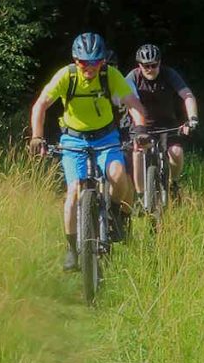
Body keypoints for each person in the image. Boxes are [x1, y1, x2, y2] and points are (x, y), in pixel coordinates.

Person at [28, 32, 151, 271]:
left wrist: (140, 129)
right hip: (73, 141)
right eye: (84, 62)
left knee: (117, 175)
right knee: (73, 193)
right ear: (76, 60)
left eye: (95, 62)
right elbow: (40, 105)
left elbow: (134, 105)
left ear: (102, 61)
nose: (89, 67)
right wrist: (36, 137)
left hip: (106, 137)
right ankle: (72, 250)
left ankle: (115, 215)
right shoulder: (67, 76)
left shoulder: (110, 76)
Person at [126, 43, 199, 195]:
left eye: (154, 65)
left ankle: (172, 184)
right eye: (146, 66)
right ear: (139, 65)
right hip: (142, 126)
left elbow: (187, 95)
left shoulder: (169, 74)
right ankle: (141, 195)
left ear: (159, 62)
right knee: (138, 152)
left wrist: (192, 118)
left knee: (176, 152)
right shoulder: (132, 77)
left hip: (167, 124)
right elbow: (127, 100)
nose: (150, 69)